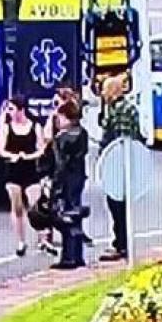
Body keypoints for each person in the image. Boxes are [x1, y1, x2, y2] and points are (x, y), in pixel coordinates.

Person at [96, 75, 141, 262]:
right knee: (116, 205)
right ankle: (121, 241)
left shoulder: (121, 110)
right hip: (116, 163)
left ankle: (121, 243)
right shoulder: (115, 108)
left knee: (117, 204)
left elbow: (120, 138)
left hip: (118, 164)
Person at [0, 96, 47, 258]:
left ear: (21, 109)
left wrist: (29, 156)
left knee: (36, 206)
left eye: (11, 109)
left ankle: (43, 239)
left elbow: (41, 149)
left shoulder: (35, 127)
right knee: (17, 207)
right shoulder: (7, 128)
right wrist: (13, 156)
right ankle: (20, 241)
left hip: (31, 170)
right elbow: (2, 150)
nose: (9, 113)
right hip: (13, 171)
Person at [44, 99, 89, 270]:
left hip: (65, 180)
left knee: (63, 216)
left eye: (60, 118)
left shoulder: (62, 138)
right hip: (78, 178)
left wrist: (55, 184)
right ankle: (77, 255)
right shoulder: (82, 133)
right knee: (75, 215)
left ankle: (68, 257)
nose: (58, 121)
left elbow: (59, 163)